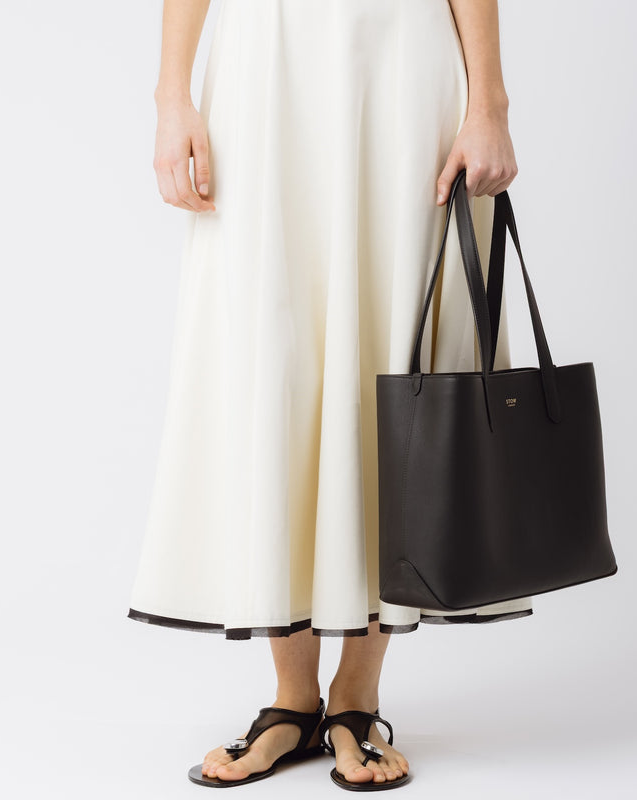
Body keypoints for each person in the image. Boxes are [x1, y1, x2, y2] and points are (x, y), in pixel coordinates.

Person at [128, 0, 530, 790]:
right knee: (269, 360)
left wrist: (488, 104)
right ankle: (291, 700)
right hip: (261, 70)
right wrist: (171, 96)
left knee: (391, 354)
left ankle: (355, 696)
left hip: (401, 64)